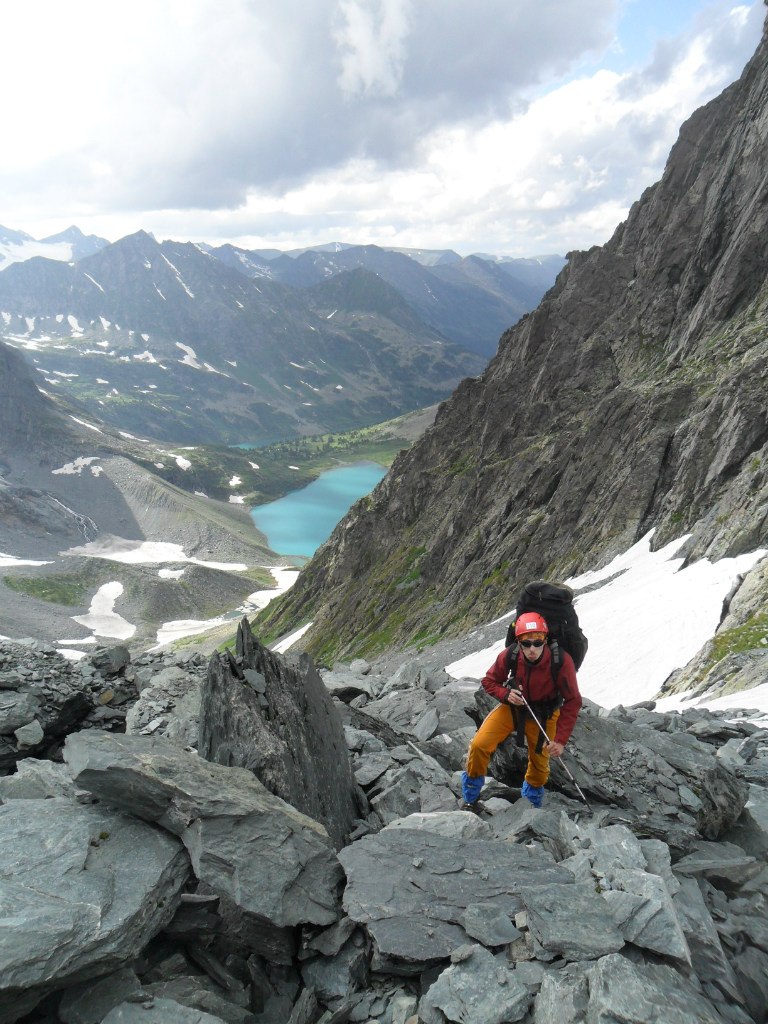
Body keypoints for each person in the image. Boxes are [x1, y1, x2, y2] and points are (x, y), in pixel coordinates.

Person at [460, 611, 582, 811]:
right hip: (514, 707)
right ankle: (470, 798)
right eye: (526, 643)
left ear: (545, 639)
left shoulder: (561, 661)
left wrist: (560, 740)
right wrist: (506, 694)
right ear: (518, 642)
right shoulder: (511, 655)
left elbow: (573, 701)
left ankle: (529, 806)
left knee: (540, 766)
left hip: (545, 714)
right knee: (480, 745)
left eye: (538, 642)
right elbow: (489, 681)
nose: (532, 648)